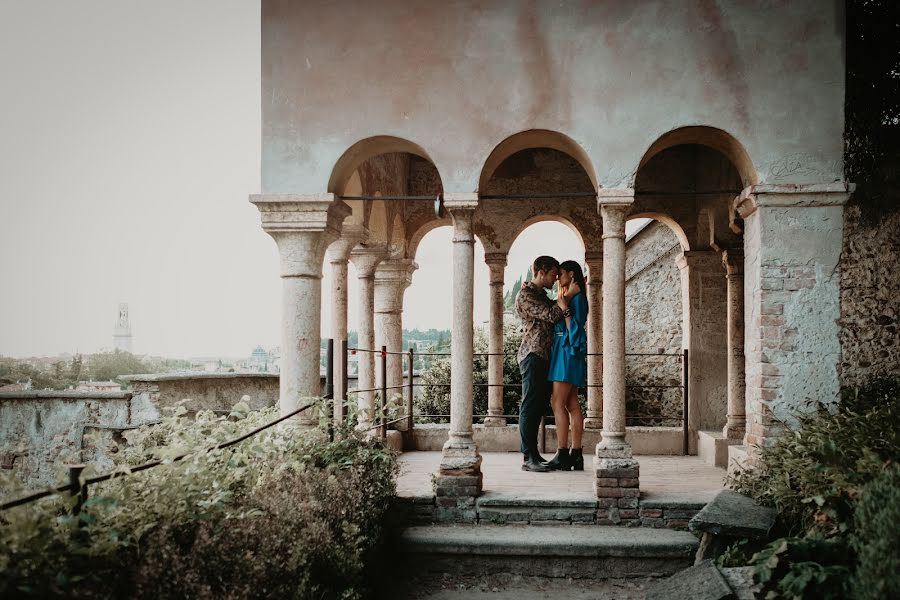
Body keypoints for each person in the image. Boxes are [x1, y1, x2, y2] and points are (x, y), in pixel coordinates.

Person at [515, 256, 567, 472]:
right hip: (532, 355)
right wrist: (563, 301)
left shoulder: (540, 295)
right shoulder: (526, 295)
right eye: (553, 274)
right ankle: (528, 457)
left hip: (543, 356)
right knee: (530, 406)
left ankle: (534, 455)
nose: (555, 279)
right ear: (541, 271)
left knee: (537, 407)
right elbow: (551, 315)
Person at [545, 261, 589, 471]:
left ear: (571, 274)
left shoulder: (578, 299)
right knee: (571, 404)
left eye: (560, 274)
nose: (557, 278)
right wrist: (565, 300)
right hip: (565, 352)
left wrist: (564, 309)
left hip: (567, 352)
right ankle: (576, 454)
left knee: (557, 403)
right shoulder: (573, 296)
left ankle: (562, 453)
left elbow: (576, 331)